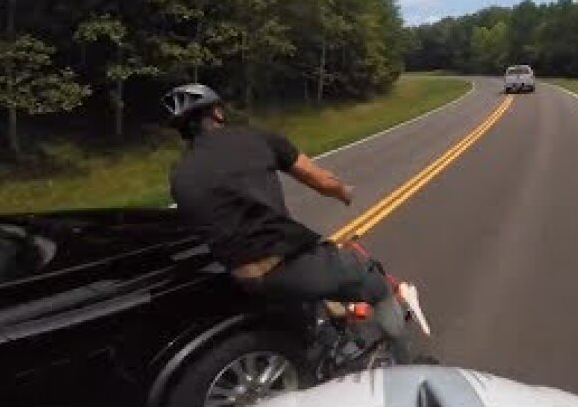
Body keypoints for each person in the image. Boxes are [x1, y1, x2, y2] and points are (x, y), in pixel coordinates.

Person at [161, 83, 407, 351]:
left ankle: (324, 348)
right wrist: (343, 192)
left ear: (183, 130)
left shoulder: (179, 176)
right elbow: (320, 180)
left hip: (242, 278)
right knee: (374, 283)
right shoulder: (255, 138)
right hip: (286, 264)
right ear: (218, 113)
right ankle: (407, 363)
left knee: (309, 304)